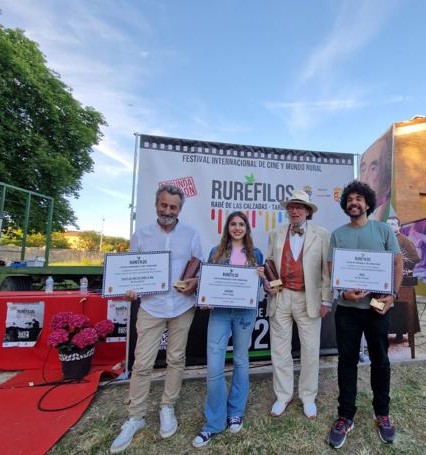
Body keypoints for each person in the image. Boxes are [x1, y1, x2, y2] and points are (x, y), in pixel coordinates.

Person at [110, 184, 203, 454]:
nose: (168, 211)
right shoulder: (141, 235)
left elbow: (199, 269)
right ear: (156, 205)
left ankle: (167, 406)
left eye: (173, 207)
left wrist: (194, 282)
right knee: (141, 363)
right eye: (164, 205)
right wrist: (128, 289)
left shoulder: (191, 234)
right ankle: (135, 417)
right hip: (151, 306)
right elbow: (130, 272)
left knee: (176, 358)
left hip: (182, 306)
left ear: (180, 209)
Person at [327, 180, 403, 448]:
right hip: (347, 310)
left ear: (368, 204)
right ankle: (345, 416)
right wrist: (343, 292)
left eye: (359, 199)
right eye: (350, 199)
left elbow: (397, 262)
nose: (353, 203)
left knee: (380, 360)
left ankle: (382, 413)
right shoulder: (337, 234)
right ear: (345, 204)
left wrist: (392, 294)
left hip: (377, 308)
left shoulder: (383, 230)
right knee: (346, 362)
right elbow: (331, 268)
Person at [192, 212, 265, 448]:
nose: (236, 228)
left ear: (247, 228)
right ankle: (214, 422)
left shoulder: (256, 254)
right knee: (214, 366)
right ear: (227, 228)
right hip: (220, 313)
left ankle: (236, 411)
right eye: (233, 224)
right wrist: (205, 297)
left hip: (245, 313)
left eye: (241, 224)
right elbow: (208, 282)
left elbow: (265, 287)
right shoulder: (216, 252)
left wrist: (263, 277)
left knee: (241, 361)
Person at [265, 189, 332, 420]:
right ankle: (283, 395)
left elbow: (326, 270)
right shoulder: (275, 233)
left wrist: (326, 299)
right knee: (280, 349)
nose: (294, 210)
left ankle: (308, 396)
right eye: (291, 206)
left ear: (308, 211)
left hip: (308, 298)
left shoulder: (322, 234)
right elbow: (269, 265)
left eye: (300, 207)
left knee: (311, 350)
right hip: (281, 297)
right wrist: (268, 284)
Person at [359, 134, 392, 221]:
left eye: (373, 169)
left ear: (387, 185)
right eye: (363, 169)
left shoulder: (389, 217)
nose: (365, 177)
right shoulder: (361, 214)